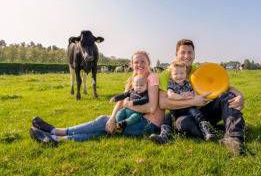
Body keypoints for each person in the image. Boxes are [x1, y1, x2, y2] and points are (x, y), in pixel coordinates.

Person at [29, 51, 163, 143]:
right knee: (104, 128)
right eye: (136, 62)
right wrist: (112, 118)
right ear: (132, 64)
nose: (139, 65)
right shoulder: (133, 79)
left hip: (147, 124)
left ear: (149, 63)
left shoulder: (152, 78)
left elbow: (150, 108)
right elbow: (121, 101)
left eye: (142, 61)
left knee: (101, 121)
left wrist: (128, 105)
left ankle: (56, 131)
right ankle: (55, 139)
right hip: (129, 118)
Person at [158, 39, 246, 155]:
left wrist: (240, 96)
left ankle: (234, 139)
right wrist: (193, 101)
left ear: (194, 55)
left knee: (227, 96)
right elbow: (163, 103)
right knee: (183, 124)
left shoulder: (200, 69)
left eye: (190, 52)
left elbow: (224, 86)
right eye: (183, 52)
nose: (186, 56)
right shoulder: (166, 74)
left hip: (204, 112)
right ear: (176, 55)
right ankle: (229, 128)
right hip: (183, 116)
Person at [150, 61, 216, 144]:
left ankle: (207, 132)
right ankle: (164, 136)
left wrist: (189, 93)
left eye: (181, 73)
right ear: (171, 75)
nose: (179, 76)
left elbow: (193, 93)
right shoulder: (171, 84)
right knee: (167, 117)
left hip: (189, 108)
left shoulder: (188, 83)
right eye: (176, 74)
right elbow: (170, 95)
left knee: (197, 114)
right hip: (176, 110)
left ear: (185, 74)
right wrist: (181, 97)